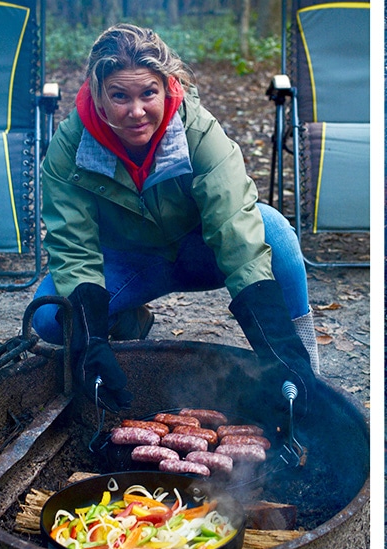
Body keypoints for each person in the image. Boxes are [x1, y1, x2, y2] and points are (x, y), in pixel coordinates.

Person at [31, 23, 317, 414]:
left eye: (148, 93)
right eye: (120, 96)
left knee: (275, 233)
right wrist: (91, 339)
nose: (136, 112)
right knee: (50, 318)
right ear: (97, 94)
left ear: (167, 86)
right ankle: (128, 321)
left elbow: (236, 232)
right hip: (130, 262)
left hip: (200, 250)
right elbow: (73, 247)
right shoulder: (70, 149)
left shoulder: (198, 133)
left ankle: (305, 373)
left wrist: (279, 349)